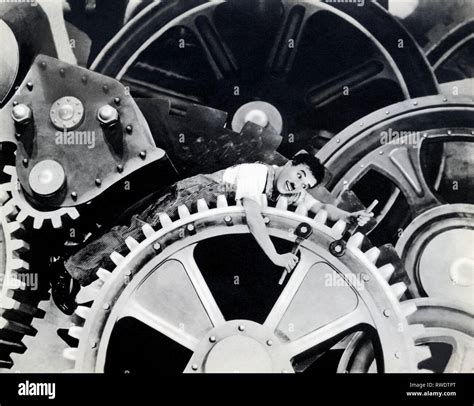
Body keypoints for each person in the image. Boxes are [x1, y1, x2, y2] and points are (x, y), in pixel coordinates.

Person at [50, 153, 373, 314]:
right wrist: (275, 256)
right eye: (299, 175)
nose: (298, 185)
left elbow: (321, 209)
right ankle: (68, 270)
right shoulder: (258, 173)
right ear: (288, 164)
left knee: (141, 254)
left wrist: (349, 214)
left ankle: (86, 289)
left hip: (201, 216)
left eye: (306, 184)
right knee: (133, 236)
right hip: (192, 196)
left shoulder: (291, 191)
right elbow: (252, 214)